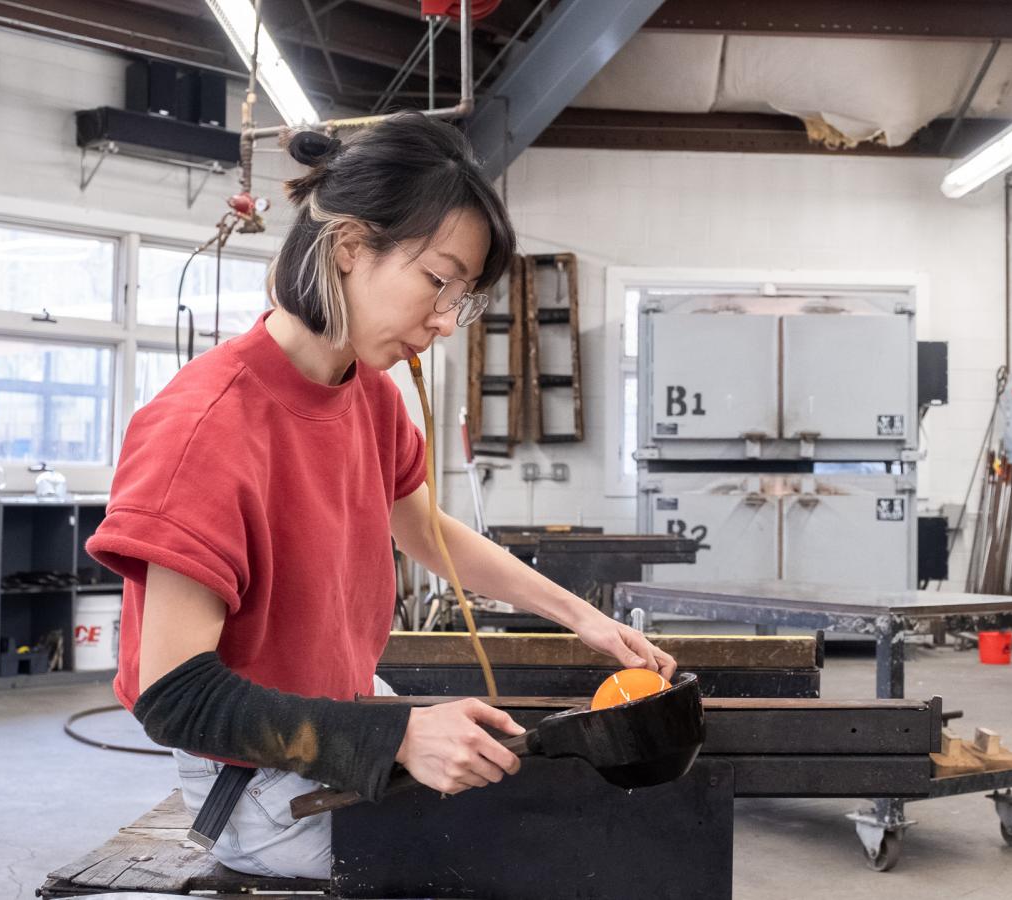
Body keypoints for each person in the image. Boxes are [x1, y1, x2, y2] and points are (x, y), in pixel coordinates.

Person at [86, 113, 676, 879]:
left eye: (461, 298)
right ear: (350, 247)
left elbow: (424, 526)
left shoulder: (365, 393)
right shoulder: (204, 430)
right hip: (263, 782)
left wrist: (581, 618)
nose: (441, 321)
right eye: (438, 280)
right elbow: (176, 698)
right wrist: (394, 738)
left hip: (346, 710)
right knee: (532, 844)